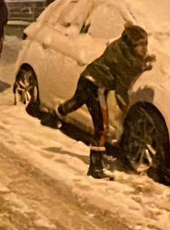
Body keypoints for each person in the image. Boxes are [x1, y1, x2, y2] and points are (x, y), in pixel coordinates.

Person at [55, 25, 155, 179]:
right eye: (140, 45)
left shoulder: (120, 48)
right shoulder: (123, 59)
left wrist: (143, 63)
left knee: (76, 102)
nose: (144, 48)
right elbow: (122, 88)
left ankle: (56, 113)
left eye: (145, 44)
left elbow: (132, 64)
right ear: (131, 44)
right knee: (102, 129)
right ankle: (95, 167)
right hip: (96, 86)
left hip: (86, 78)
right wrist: (126, 110)